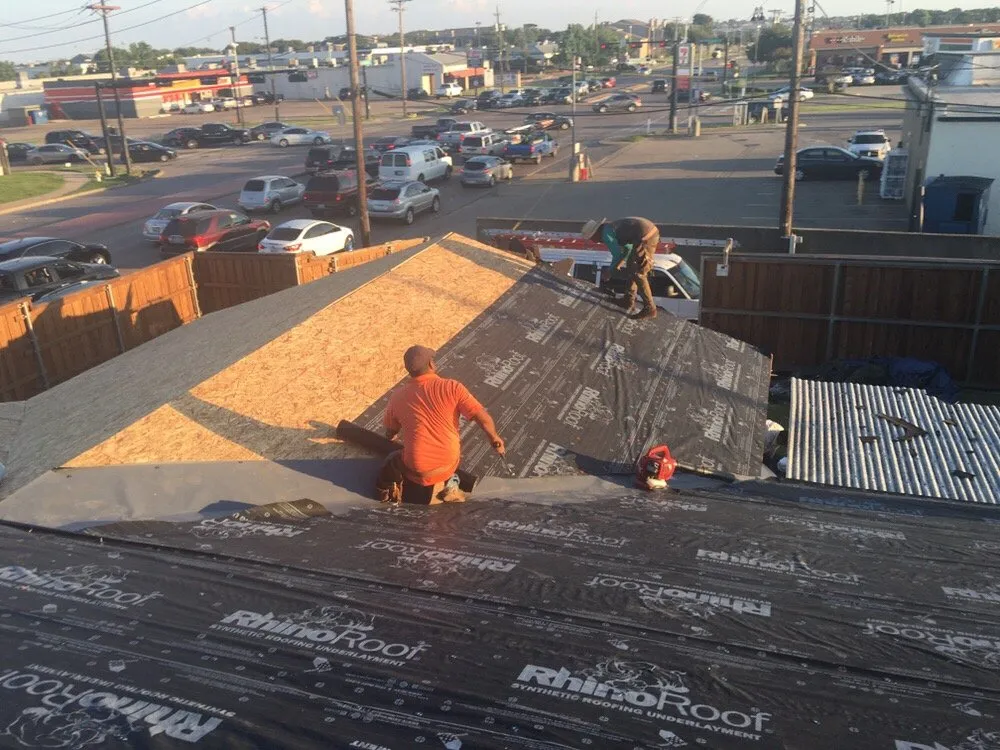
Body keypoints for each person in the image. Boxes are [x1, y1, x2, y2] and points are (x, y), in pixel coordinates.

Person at [378, 345, 505, 504]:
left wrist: (391, 436)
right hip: (449, 463)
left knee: (392, 460)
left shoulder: (397, 397)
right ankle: (451, 485)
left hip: (417, 469)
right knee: (452, 453)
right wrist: (494, 438)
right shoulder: (452, 387)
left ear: (409, 370)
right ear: (431, 364)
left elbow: (391, 430)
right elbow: (482, 417)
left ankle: (389, 493)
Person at [581, 216, 660, 320]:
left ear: (595, 233)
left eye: (591, 238)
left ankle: (650, 308)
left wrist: (610, 271)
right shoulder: (612, 229)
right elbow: (627, 250)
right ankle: (628, 300)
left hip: (646, 236)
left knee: (639, 272)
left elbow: (617, 254)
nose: (593, 242)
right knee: (632, 266)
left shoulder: (606, 235)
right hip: (644, 233)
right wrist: (618, 264)